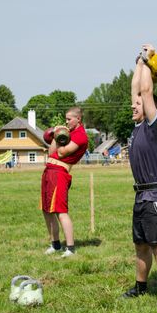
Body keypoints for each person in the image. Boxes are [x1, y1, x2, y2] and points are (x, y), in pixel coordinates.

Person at [121, 44, 157, 307]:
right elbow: (136, 89)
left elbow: (145, 91)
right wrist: (140, 64)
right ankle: (140, 287)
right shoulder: (138, 126)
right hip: (142, 195)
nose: (133, 105)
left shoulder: (154, 126)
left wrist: (148, 57)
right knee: (141, 245)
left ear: (150, 107)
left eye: (138, 104)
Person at [41, 107, 88, 258]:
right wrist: (56, 135)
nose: (66, 122)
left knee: (61, 211)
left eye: (69, 119)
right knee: (47, 210)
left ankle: (71, 248)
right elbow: (51, 153)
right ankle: (55, 245)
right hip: (49, 171)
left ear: (78, 119)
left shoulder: (80, 135)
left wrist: (58, 135)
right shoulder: (68, 133)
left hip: (60, 174)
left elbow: (61, 153)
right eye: (66, 119)